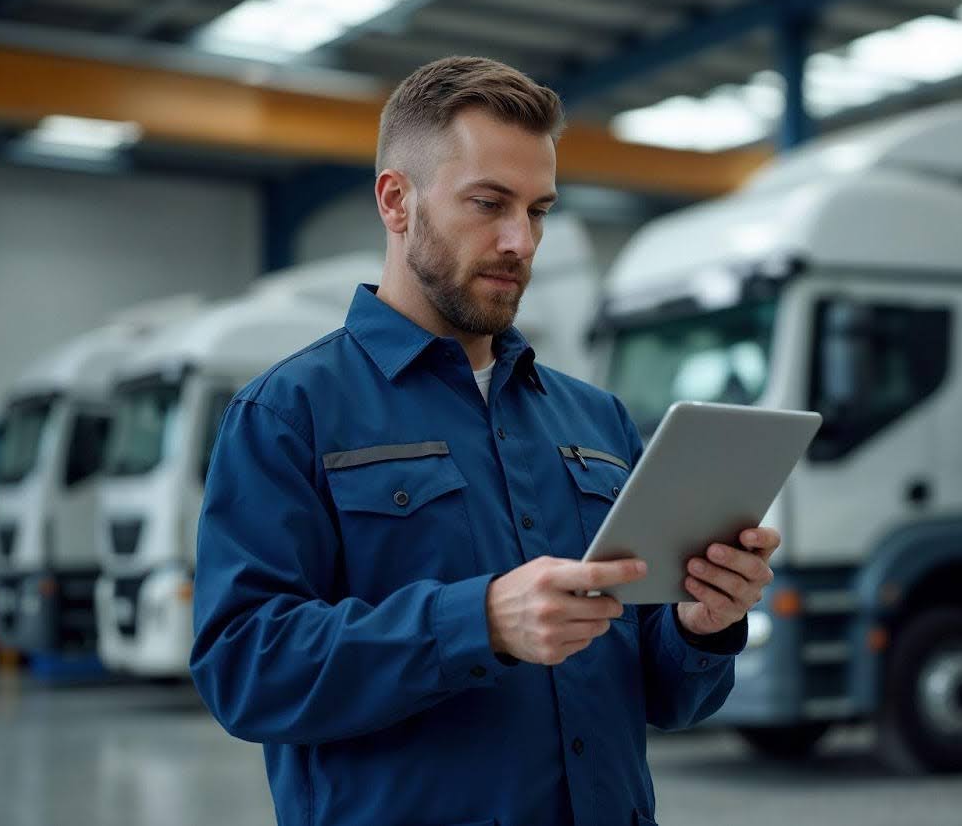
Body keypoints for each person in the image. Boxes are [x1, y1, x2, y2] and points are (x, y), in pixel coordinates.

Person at [190, 56, 778, 826]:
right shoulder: (288, 413)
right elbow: (243, 667)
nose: (519, 241)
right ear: (396, 201)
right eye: (489, 203)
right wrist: (479, 622)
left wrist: (703, 623)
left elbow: (667, 695)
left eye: (538, 210)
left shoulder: (595, 420)